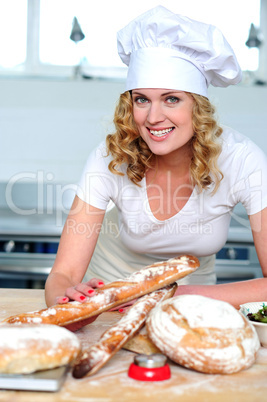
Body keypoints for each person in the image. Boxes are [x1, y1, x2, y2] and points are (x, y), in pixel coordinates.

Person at [45, 6, 267, 325]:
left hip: (196, 307)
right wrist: (67, 305)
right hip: (108, 307)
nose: (153, 117)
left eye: (172, 99)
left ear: (198, 105)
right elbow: (63, 273)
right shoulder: (111, 156)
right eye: (142, 99)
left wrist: (171, 295)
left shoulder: (242, 159)